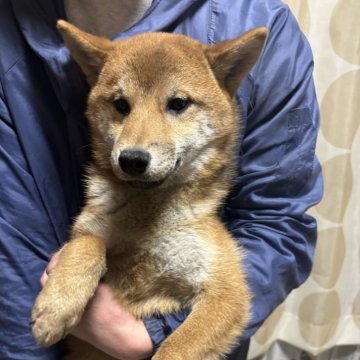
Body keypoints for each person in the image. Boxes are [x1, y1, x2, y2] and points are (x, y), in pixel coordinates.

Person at [0, 0, 323, 359]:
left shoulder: (259, 20)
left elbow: (275, 227)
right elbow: (14, 252)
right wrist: (82, 261)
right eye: (122, 106)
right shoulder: (10, 38)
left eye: (177, 105)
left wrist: (152, 339)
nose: (136, 143)